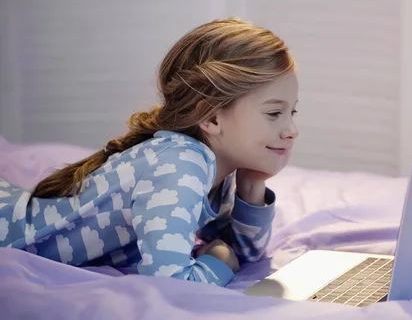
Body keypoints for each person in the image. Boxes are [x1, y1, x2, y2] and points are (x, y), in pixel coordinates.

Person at [0, 18, 299, 287]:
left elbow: (244, 252)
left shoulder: (215, 167)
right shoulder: (180, 165)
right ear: (210, 118)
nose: (292, 130)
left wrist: (252, 188)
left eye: (292, 112)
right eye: (274, 113)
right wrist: (219, 262)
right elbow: (172, 283)